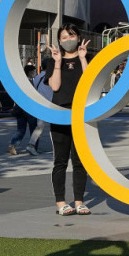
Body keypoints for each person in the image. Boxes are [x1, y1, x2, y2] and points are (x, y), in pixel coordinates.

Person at [45, 24, 92, 216]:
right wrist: (57, 62)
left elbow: (91, 82)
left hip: (81, 114)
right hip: (60, 114)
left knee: (80, 161)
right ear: (59, 41)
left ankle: (79, 201)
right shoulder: (52, 61)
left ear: (79, 37)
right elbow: (54, 87)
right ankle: (61, 202)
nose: (67, 40)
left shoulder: (87, 58)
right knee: (60, 160)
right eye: (63, 37)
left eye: (71, 36)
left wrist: (82, 58)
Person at [24, 57, 54, 156]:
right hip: (50, 105)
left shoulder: (37, 77)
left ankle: (31, 145)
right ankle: (57, 148)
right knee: (55, 127)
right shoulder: (51, 77)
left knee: (39, 127)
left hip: (40, 105)